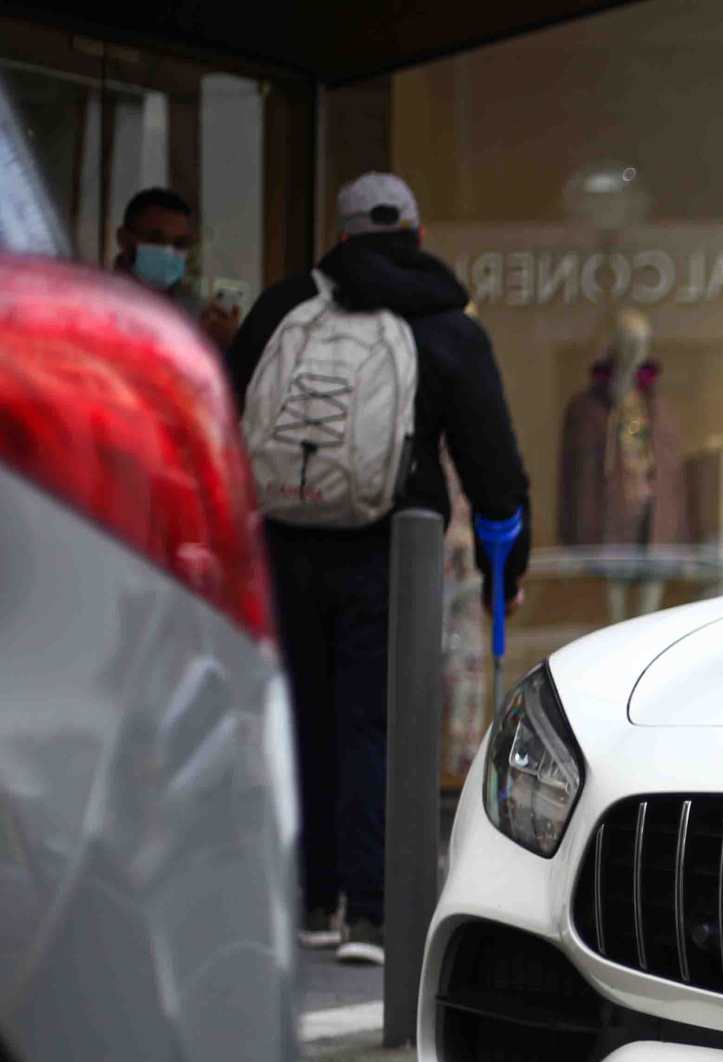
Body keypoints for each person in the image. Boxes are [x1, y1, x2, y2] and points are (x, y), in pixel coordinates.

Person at [228, 172, 532, 965]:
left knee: (300, 714)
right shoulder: (444, 323)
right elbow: (492, 466)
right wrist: (510, 566)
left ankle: (306, 899)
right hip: (395, 546)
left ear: (344, 233)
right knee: (376, 723)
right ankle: (372, 911)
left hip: (287, 538)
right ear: (417, 235)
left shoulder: (286, 304)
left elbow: (228, 413)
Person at [112, 186, 241, 349]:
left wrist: (226, 344)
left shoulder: (195, 311)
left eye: (179, 244)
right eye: (156, 240)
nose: (168, 251)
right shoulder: (97, 304)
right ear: (124, 240)